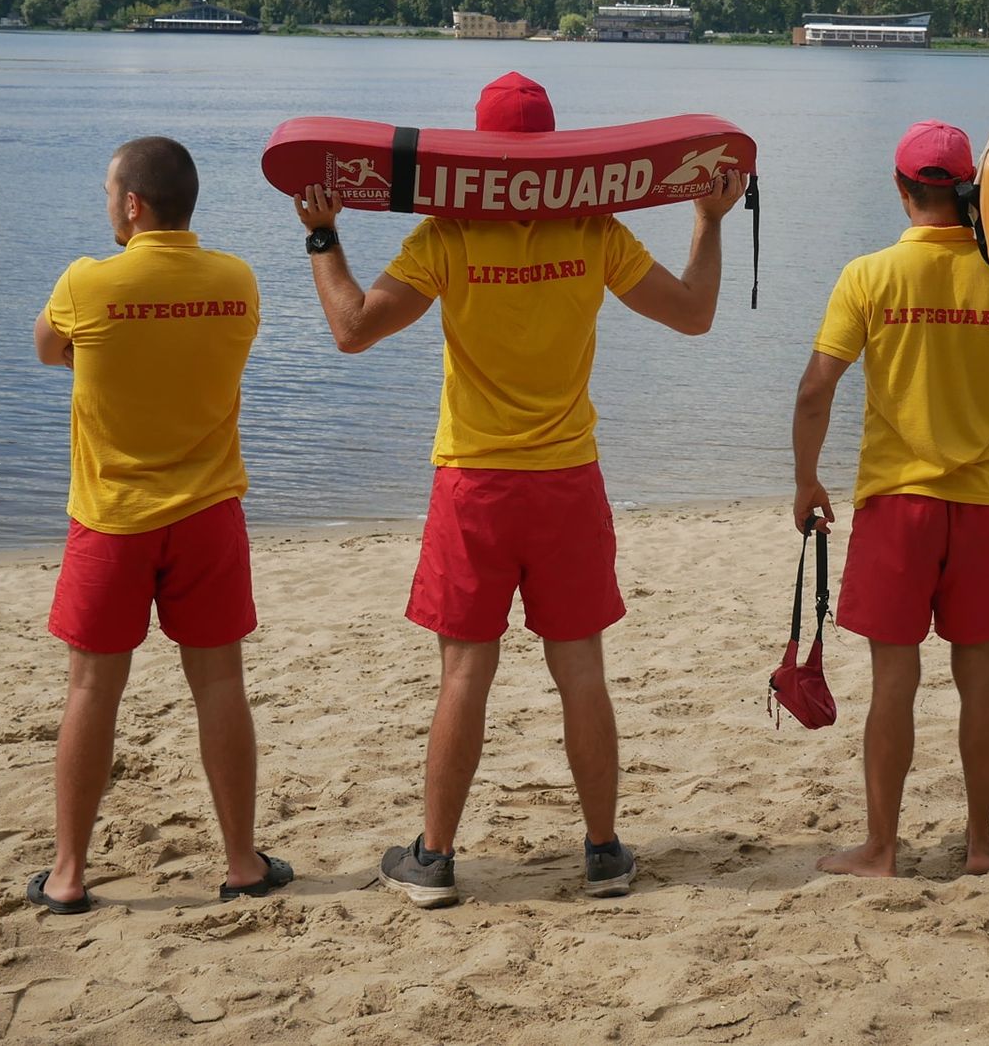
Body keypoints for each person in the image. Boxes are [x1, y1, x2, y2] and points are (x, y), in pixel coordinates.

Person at [294, 71, 746, 907]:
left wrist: (324, 237)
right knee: (581, 670)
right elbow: (693, 313)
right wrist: (707, 221)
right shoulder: (592, 228)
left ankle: (432, 861)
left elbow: (352, 328)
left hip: (475, 483)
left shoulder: (449, 233)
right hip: (567, 482)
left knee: (466, 671)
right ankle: (605, 853)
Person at [791, 120, 989, 878]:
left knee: (895, 679)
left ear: (899, 187)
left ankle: (881, 849)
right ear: (970, 192)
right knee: (979, 673)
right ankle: (982, 843)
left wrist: (806, 479)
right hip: (980, 501)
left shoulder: (868, 275)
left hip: (896, 504)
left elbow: (818, 387)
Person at [27, 136, 289, 913]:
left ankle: (70, 874)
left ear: (133, 204)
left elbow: (49, 351)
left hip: (112, 519)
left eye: (111, 192)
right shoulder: (236, 278)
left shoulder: (86, 282)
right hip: (208, 515)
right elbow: (225, 350)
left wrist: (112, 351)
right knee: (219, 685)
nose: (107, 203)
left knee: (91, 692)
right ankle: (242, 861)